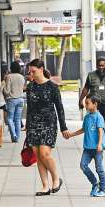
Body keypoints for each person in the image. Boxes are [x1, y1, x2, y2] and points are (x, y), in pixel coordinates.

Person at [26, 59, 70, 196]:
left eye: (33, 71)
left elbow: (60, 108)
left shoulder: (52, 87)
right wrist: (27, 126)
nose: (31, 74)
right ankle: (45, 186)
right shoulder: (30, 87)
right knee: (38, 155)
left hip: (49, 123)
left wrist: (64, 128)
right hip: (33, 123)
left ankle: (56, 178)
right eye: (30, 71)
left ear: (41, 69)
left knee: (45, 153)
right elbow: (29, 108)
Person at [68, 94, 105, 197]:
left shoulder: (99, 117)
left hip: (97, 149)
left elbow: (100, 132)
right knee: (83, 165)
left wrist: (99, 145)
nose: (85, 105)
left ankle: (103, 189)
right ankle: (95, 183)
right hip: (88, 148)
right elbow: (83, 129)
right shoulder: (86, 117)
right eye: (85, 103)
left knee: (99, 168)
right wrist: (71, 134)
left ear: (95, 104)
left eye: (87, 103)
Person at [79, 57, 105, 149]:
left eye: (103, 65)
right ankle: (97, 142)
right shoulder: (91, 75)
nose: (101, 67)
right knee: (95, 125)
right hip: (95, 105)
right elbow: (86, 88)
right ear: (97, 66)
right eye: (99, 66)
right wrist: (80, 100)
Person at [3, 61, 25, 142]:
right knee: (18, 119)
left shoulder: (9, 76)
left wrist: (3, 86)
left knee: (9, 119)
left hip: (12, 100)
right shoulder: (21, 77)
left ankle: (14, 135)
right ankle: (17, 138)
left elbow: (7, 91)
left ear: (11, 68)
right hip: (21, 100)